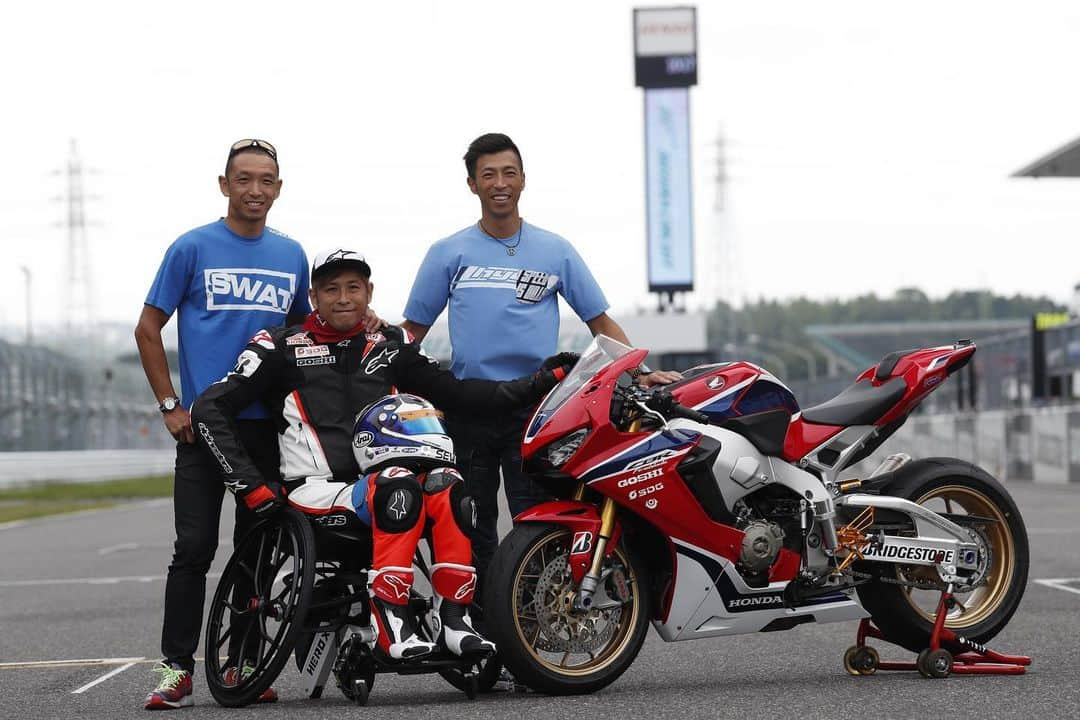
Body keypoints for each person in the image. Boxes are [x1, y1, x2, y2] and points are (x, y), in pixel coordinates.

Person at [190, 248, 572, 671]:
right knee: (398, 483)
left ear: (369, 292)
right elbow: (208, 409)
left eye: (353, 287)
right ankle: (392, 622)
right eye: (331, 289)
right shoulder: (277, 346)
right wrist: (249, 486)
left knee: (449, 485)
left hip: (387, 488)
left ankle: (455, 620)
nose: (343, 298)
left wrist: (540, 381)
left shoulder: (392, 343)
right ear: (313, 297)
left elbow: (461, 396)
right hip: (316, 494)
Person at [401, 132, 681, 583]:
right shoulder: (448, 252)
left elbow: (600, 322)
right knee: (470, 526)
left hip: (537, 407)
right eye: (488, 174)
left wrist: (640, 371)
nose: (499, 183)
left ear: (523, 180)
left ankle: (531, 621)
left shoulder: (555, 250)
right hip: (468, 407)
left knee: (538, 523)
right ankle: (479, 626)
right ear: (472, 184)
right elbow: (411, 332)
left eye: (509, 173)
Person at [135, 139, 310, 710]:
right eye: (243, 179)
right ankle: (177, 670)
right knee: (194, 549)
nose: (254, 190)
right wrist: (169, 405)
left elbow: (308, 336)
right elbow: (148, 327)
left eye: (266, 181)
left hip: (268, 432)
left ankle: (243, 664)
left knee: (258, 553)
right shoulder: (191, 248)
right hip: (203, 430)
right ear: (224, 184)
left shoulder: (292, 256)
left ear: (278, 189)